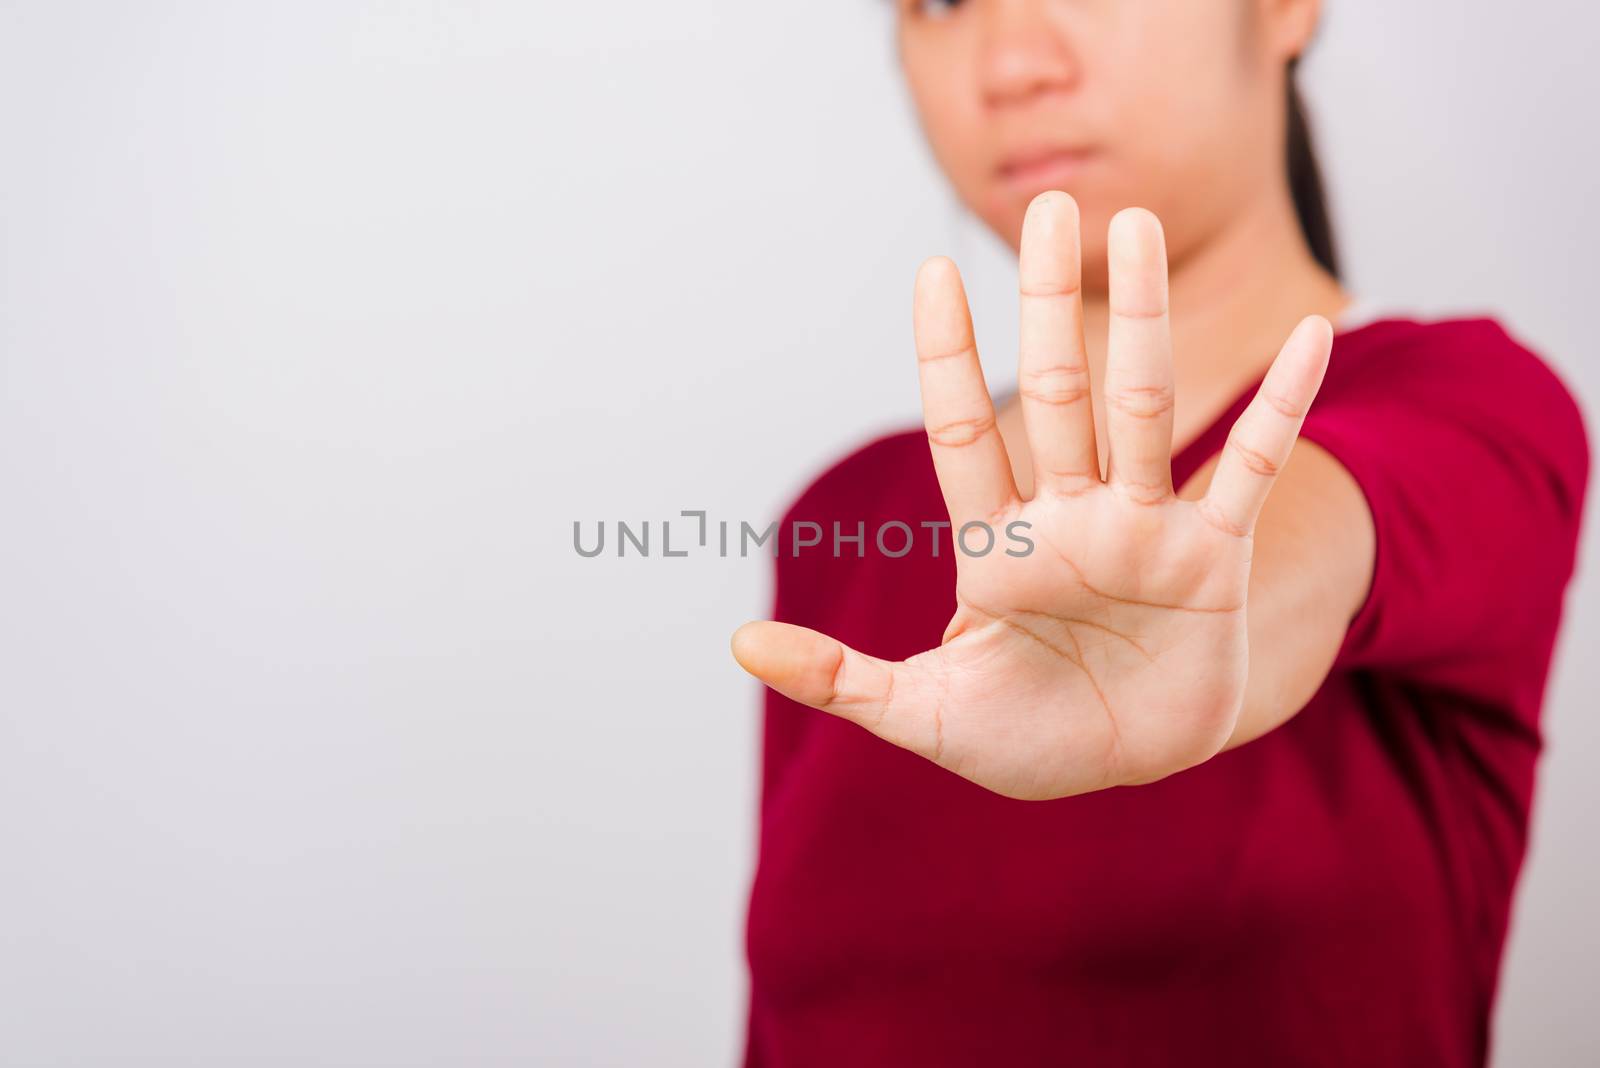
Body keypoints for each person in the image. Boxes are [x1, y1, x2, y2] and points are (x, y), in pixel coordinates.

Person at [728, 1, 1590, 1065]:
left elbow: (1321, 544)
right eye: (943, 1)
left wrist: (1210, 610)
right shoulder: (845, 516)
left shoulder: (1472, 402)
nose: (1011, 63)